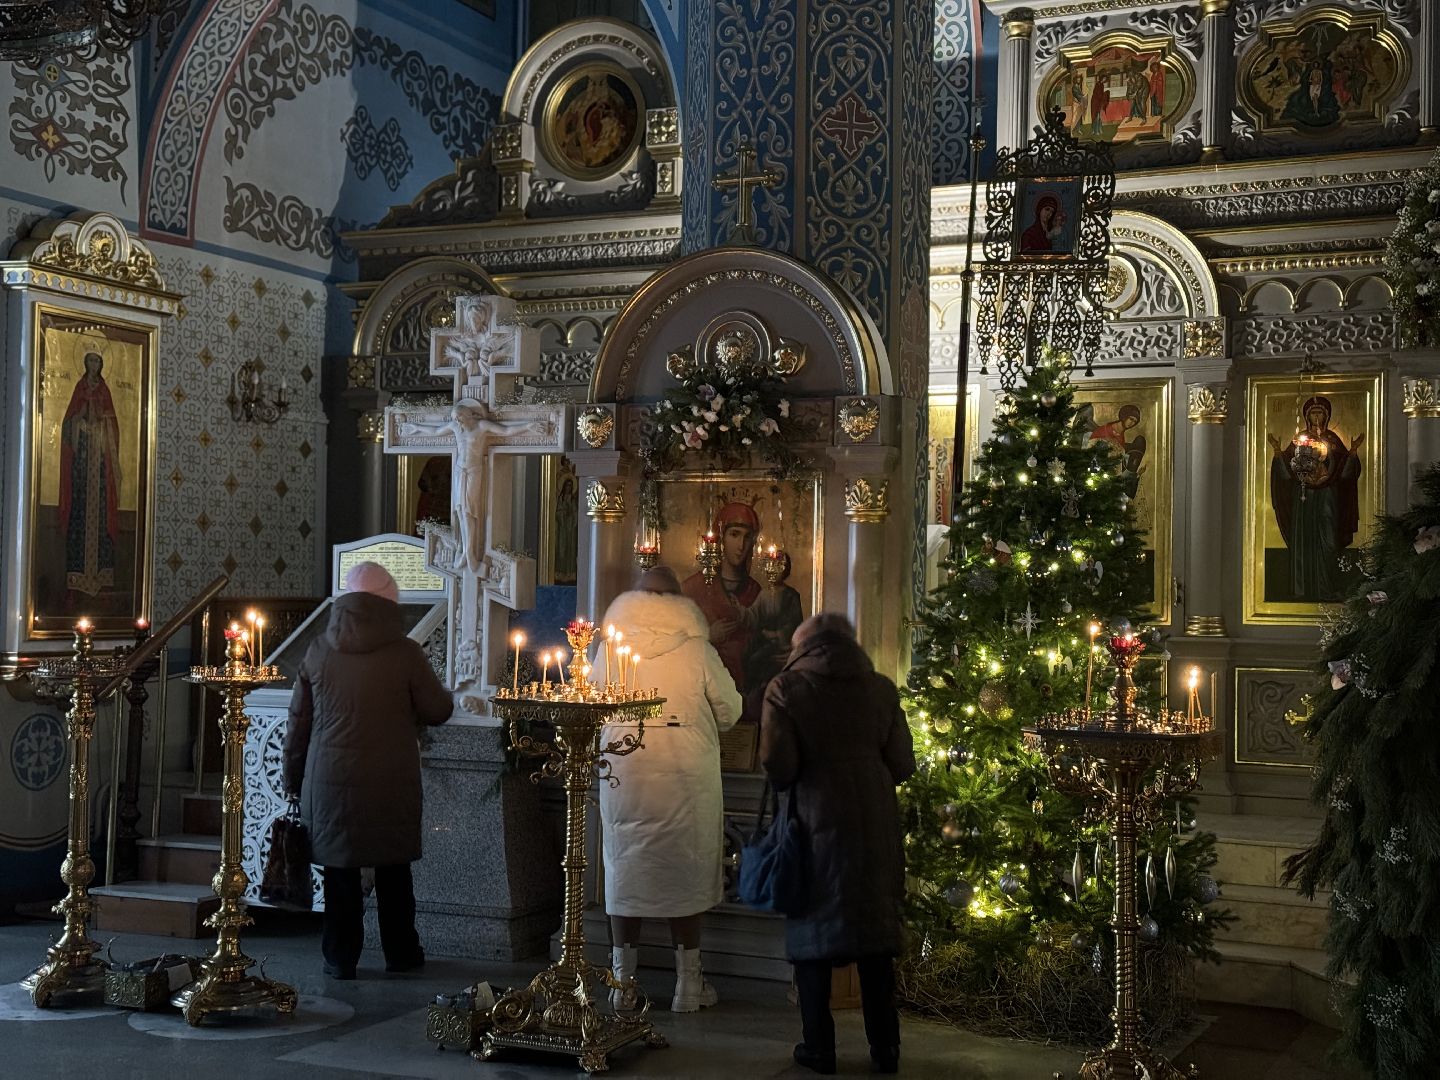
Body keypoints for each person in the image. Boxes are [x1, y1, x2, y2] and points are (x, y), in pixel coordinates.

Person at [761, 613, 916, 1075]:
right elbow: (904, 763)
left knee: (813, 937)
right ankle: (886, 1049)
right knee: (874, 940)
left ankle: (819, 1047)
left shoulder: (786, 689)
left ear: (802, 646)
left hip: (814, 820)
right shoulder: (881, 688)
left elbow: (779, 764)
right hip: (874, 819)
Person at [283, 561, 454, 979]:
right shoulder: (407, 653)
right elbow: (438, 709)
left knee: (340, 873)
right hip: (390, 782)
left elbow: (298, 724)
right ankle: (401, 952)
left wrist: (292, 780)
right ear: (391, 602)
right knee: (394, 870)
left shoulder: (319, 650)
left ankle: (340, 958)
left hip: (330, 783)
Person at [599, 565, 742, 1011]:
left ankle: (623, 987)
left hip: (625, 773)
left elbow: (586, 704)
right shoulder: (698, 651)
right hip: (687, 777)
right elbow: (731, 711)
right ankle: (689, 987)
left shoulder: (608, 650)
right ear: (682, 605)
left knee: (626, 871)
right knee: (688, 870)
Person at [398, 401, 553, 571]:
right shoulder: (457, 428)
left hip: (473, 471)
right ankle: (467, 552)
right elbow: (435, 431)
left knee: (470, 511)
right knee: (460, 511)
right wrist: (413, 427)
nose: (458, 422)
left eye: (460, 419)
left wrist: (529, 426)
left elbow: (506, 430)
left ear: (468, 415)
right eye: (456, 420)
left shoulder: (481, 426)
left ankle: (470, 552)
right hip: (459, 471)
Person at [1268, 396, 1364, 602]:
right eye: (1313, 413)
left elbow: (1346, 474)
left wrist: (1353, 452)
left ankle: (1327, 589)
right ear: (1306, 416)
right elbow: (1286, 473)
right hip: (1303, 498)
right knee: (1303, 541)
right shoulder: (1299, 440)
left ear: (1327, 416)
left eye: (1320, 412)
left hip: (1328, 497)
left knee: (1329, 541)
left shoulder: (1332, 440)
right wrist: (1277, 452)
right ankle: (1301, 590)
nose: (1317, 417)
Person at [59, 351, 122, 599]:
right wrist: (78, 419)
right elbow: (67, 424)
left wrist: (104, 422)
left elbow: (114, 425)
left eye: (97, 361)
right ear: (85, 364)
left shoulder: (105, 390)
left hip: (101, 465)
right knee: (80, 515)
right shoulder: (79, 387)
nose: (93, 365)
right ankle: (75, 582)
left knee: (100, 517)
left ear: (101, 364)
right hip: (82, 466)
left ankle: (103, 582)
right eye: (90, 361)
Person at [682, 501, 763, 688]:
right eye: (734, 534)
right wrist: (707, 636)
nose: (741, 545)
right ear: (721, 538)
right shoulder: (692, 588)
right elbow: (673, 640)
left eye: (747, 536)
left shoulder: (755, 591)